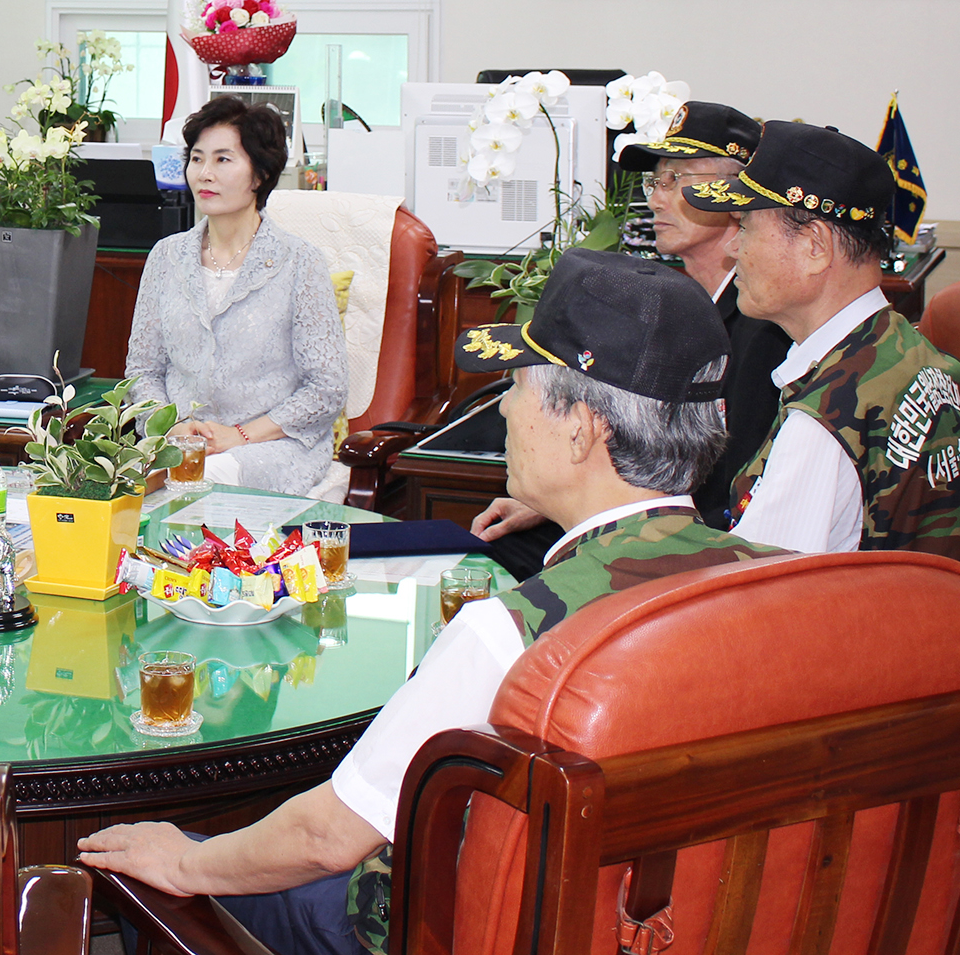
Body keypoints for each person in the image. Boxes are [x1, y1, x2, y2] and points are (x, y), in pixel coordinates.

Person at [80, 250, 777, 955]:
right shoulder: (779, 584)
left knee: (162, 870)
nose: (504, 406)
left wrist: (184, 861)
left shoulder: (511, 633)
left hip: (452, 926)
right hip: (684, 917)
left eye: (519, 386)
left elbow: (329, 835)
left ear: (582, 427)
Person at [472, 101, 792, 557]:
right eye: (654, 182)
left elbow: (724, 486)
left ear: (736, 192)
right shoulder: (681, 303)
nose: (656, 198)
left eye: (677, 180)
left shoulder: (763, 328)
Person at [682, 119, 960, 556]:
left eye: (747, 227)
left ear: (815, 246)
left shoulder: (823, 425)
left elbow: (752, 599)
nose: (734, 248)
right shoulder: (910, 351)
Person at [125, 95, 347, 494]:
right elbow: (143, 371)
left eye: (223, 160)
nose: (204, 174)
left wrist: (238, 436)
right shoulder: (166, 257)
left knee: (196, 480)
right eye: (197, 158)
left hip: (274, 445)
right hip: (176, 445)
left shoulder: (300, 263)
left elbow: (327, 388)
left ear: (259, 175)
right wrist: (171, 426)